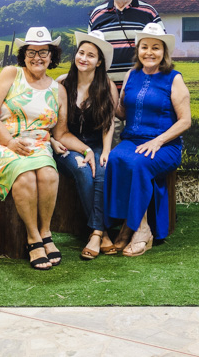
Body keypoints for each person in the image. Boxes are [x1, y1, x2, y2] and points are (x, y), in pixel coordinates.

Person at [0, 26, 63, 270]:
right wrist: (9, 142)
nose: (37, 57)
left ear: (51, 55)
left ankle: (46, 233)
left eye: (43, 52)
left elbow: (61, 131)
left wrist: (81, 149)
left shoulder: (58, 89)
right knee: (25, 176)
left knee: (48, 174)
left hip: (39, 145)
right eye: (31, 52)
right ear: (23, 55)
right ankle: (33, 237)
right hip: (2, 142)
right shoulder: (11, 74)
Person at [104, 23, 191, 257]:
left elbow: (185, 121)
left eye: (155, 47)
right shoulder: (131, 75)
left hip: (165, 145)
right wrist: (107, 94)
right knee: (115, 158)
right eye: (144, 47)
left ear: (164, 52)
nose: (149, 52)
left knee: (138, 163)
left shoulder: (174, 79)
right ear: (138, 50)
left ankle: (139, 231)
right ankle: (132, 225)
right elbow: (123, 112)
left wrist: (158, 141)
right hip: (132, 139)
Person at [51, 31, 119, 260]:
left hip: (97, 142)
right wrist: (82, 149)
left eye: (91, 55)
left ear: (99, 62)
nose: (84, 58)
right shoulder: (62, 83)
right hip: (67, 143)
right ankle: (102, 233)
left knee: (101, 170)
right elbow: (56, 128)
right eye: (81, 53)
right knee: (83, 171)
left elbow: (108, 124)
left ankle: (96, 233)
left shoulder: (107, 86)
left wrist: (106, 151)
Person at [88, 0, 163, 90]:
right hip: (104, 91)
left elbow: (163, 50)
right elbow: (89, 52)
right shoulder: (97, 15)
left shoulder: (149, 12)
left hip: (141, 91)